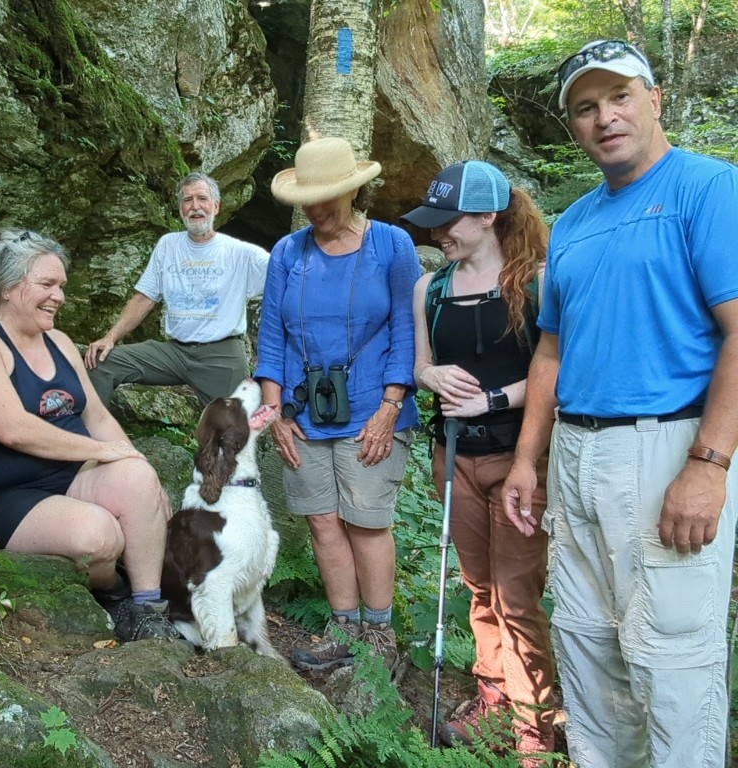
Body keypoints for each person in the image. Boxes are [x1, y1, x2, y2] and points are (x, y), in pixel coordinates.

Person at [501, 39, 738, 767]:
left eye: (621, 97)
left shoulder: (709, 189)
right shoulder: (570, 226)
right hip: (576, 453)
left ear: (655, 98)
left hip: (666, 445)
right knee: (587, 645)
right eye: (585, 107)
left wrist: (709, 463)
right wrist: (525, 460)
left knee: (672, 659)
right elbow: (551, 351)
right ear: (573, 125)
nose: (605, 117)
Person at [0, 228, 182, 643]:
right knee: (98, 537)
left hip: (69, 480)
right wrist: (103, 451)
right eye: (47, 284)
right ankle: (114, 591)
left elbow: (98, 416)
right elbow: (13, 429)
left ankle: (147, 608)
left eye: (61, 286)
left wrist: (137, 464)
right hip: (1, 496)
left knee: (138, 477)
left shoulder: (60, 341)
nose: (60, 296)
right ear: (9, 286)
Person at [402, 161, 554, 761]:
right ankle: (494, 705)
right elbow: (421, 366)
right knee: (480, 588)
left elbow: (554, 373)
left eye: (450, 222)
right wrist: (430, 373)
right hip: (455, 455)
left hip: (523, 460)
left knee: (517, 596)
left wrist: (495, 397)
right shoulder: (430, 289)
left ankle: (534, 729)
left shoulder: (538, 282)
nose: (440, 234)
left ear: (488, 216)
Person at [256, 136, 420, 672]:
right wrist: (275, 409)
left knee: (367, 521)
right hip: (304, 411)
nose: (317, 209)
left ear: (355, 192)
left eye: (329, 197)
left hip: (374, 405)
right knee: (323, 522)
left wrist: (392, 404)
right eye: (309, 199)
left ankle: (379, 636)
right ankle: (343, 626)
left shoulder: (392, 245)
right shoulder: (288, 253)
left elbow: (407, 326)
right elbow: (272, 335)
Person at [85, 173, 270, 407]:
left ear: (216, 206)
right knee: (101, 362)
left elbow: (285, 277)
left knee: (229, 433)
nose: (195, 207)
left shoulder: (241, 253)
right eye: (187, 200)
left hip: (221, 355)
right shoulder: (168, 245)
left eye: (202, 199)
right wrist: (110, 338)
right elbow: (145, 297)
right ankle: (98, 441)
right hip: (174, 352)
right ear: (181, 208)